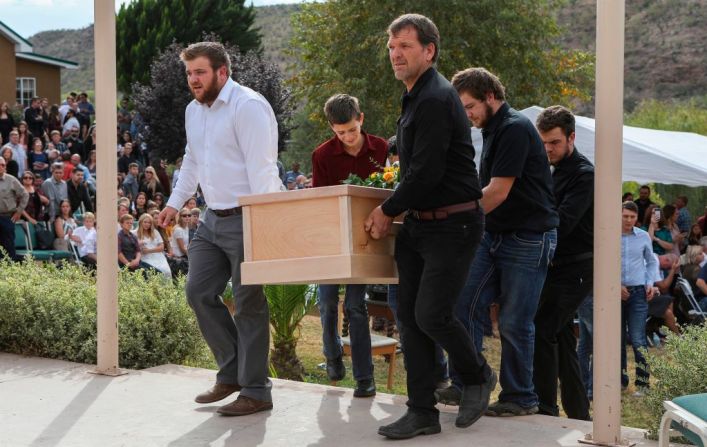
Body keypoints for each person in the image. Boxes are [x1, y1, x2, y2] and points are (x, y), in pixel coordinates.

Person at [365, 15, 491, 438]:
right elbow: (414, 172)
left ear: (429, 50)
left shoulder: (436, 97)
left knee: (431, 314)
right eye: (391, 47)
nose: (395, 54)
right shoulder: (415, 96)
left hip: (453, 224)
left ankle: (476, 376)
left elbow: (428, 172)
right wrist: (397, 207)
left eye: (405, 45)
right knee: (410, 319)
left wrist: (387, 210)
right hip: (420, 224)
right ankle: (421, 411)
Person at [157, 41, 284, 417]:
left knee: (249, 306)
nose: (193, 80)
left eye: (200, 72)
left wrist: (266, 223)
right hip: (211, 219)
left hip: (249, 217)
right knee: (198, 293)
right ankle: (231, 373)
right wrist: (173, 203)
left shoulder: (249, 106)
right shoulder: (193, 111)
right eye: (189, 73)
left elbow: (263, 170)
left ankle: (257, 390)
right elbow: (192, 160)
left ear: (221, 72)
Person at [449, 67, 558, 417]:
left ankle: (520, 397)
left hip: (528, 237)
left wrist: (451, 216)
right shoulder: (491, 129)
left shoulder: (513, 128)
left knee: (513, 321)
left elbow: (496, 193)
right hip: (493, 234)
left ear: (491, 97)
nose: (466, 115)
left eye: (469, 106)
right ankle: (468, 382)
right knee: (460, 305)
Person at [311, 93, 388, 396]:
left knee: (356, 306)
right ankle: (332, 355)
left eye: (352, 131)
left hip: (365, 238)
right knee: (327, 301)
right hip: (331, 237)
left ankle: (364, 377)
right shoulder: (322, 155)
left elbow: (387, 189)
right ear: (332, 129)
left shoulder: (380, 148)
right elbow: (320, 199)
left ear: (361, 119)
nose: (347, 138)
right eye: (340, 133)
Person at [531, 106, 593, 420]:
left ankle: (545, 407)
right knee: (563, 339)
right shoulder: (552, 169)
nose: (547, 149)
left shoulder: (585, 173)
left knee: (542, 328)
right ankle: (579, 413)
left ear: (571, 137)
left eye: (554, 142)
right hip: (556, 267)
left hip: (577, 268)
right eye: (543, 142)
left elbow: (563, 222)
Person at [620, 201, 657, 395]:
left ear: (637, 218)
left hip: (638, 293)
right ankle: (619, 380)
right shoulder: (608, 235)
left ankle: (643, 384)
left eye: (632, 217)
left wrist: (650, 282)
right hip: (614, 292)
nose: (628, 220)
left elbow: (651, 262)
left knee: (638, 339)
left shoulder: (643, 237)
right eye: (625, 216)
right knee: (615, 340)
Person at [0, 158, 29, 261]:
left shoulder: (11, 179)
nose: (1, 167)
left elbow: (25, 195)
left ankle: (11, 272)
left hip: (7, 217)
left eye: (3, 165)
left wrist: (19, 211)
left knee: (9, 247)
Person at [133, 213, 171, 279]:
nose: (147, 224)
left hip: (158, 256)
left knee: (166, 271)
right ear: (141, 222)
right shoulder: (134, 233)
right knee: (152, 273)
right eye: (145, 222)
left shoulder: (155, 232)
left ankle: (166, 289)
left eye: (149, 223)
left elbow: (162, 247)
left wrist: (148, 250)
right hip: (144, 257)